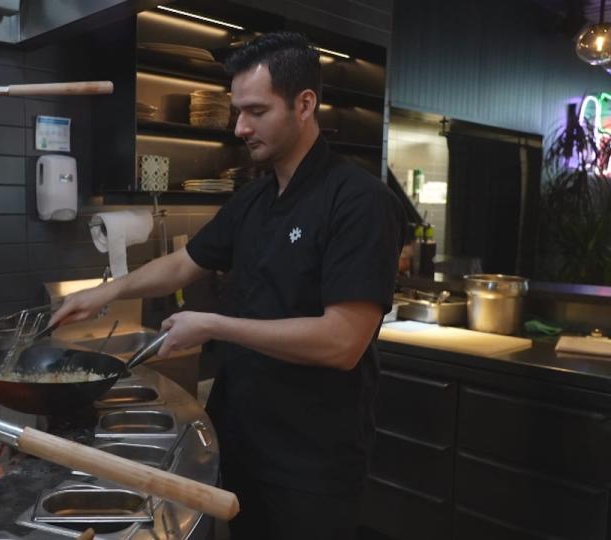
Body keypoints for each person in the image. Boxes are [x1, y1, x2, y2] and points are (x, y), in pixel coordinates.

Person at [49, 32, 403, 539]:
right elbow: (184, 263)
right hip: (240, 435)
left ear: (305, 104)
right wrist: (102, 293)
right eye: (238, 110)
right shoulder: (254, 198)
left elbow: (342, 341)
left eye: (256, 111)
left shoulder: (359, 201)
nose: (240, 127)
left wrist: (214, 325)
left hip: (310, 458)